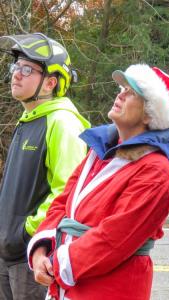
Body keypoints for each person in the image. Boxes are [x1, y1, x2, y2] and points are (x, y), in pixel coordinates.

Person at [27, 63, 169, 300]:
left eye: (131, 92)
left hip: (110, 290)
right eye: (122, 87)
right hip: (67, 286)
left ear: (151, 114)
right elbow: (61, 204)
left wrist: (55, 264)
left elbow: (112, 239)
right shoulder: (98, 152)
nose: (120, 94)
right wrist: (40, 250)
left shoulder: (156, 172)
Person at [0, 33, 90, 300]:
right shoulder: (28, 119)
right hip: (7, 253)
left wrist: (26, 231)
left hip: (31, 257)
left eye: (27, 69)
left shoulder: (63, 123)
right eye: (16, 67)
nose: (17, 74)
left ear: (51, 82)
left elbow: (67, 192)